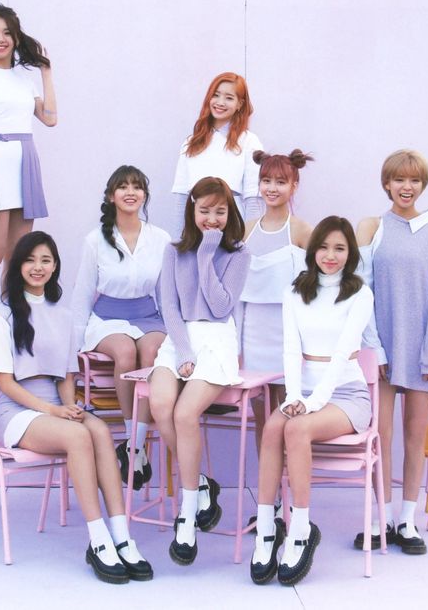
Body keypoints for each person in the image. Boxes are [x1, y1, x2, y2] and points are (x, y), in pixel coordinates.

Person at [0, 231, 152, 584]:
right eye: (31, 260)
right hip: (18, 412)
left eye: (46, 260)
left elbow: (65, 375)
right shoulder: (1, 316)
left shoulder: (62, 315)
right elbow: (6, 383)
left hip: (55, 409)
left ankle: (121, 533)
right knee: (79, 437)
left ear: (55, 267)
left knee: (100, 431)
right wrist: (53, 412)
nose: (38, 267)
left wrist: (69, 405)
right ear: (18, 266)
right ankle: (98, 539)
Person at [250, 216, 374, 586]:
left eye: (340, 248)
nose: (330, 255)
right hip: (303, 395)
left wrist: (312, 403)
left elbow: (341, 355)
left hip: (346, 395)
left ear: (350, 253)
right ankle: (268, 529)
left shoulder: (359, 293)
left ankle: (300, 529)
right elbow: (291, 350)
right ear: (312, 249)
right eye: (323, 247)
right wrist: (291, 397)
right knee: (273, 426)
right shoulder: (295, 291)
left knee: (298, 430)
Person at [354, 149, 428, 555]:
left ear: (422, 185)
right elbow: (361, 291)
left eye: (414, 180)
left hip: (423, 354)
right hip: (381, 351)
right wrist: (374, 349)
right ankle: (381, 518)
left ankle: (407, 521)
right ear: (387, 184)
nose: (406, 187)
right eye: (398, 180)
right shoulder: (373, 227)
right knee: (380, 438)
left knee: (416, 437)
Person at [149, 177, 250, 565]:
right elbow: (170, 307)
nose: (212, 218)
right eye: (204, 210)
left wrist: (209, 255)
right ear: (192, 210)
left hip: (218, 340)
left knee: (185, 414)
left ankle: (187, 513)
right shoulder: (173, 252)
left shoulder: (238, 254)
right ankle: (204, 484)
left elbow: (221, 307)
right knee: (161, 405)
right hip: (179, 338)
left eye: (219, 211)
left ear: (229, 213)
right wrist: (183, 352)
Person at [0, 3, 57, 359]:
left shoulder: (24, 76)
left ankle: (12, 321)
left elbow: (49, 118)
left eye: (6, 32)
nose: (0, 39)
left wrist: (47, 74)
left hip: (25, 162)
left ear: (16, 37)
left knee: (17, 256)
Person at [72, 166, 170, 490]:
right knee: (126, 350)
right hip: (108, 317)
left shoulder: (161, 239)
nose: (131, 192)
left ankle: (134, 447)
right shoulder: (94, 240)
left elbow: (165, 294)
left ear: (145, 194)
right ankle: (133, 441)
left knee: (152, 350)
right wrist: (73, 349)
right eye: (123, 187)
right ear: (111, 195)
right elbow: (83, 293)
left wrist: (178, 336)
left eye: (137, 187)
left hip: (147, 314)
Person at [241, 149, 313, 454]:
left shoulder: (301, 230)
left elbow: (316, 286)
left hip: (287, 334)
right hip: (253, 334)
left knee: (288, 414)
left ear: (294, 185)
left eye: (280, 181)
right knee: (261, 418)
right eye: (266, 180)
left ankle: (289, 490)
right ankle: (269, 496)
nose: (272, 188)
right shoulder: (247, 229)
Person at [170, 72, 263, 235]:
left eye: (229, 98)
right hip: (196, 228)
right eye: (216, 95)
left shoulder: (249, 141)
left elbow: (253, 198)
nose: (220, 102)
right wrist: (179, 241)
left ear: (239, 104)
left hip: (232, 227)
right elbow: (181, 197)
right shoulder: (190, 143)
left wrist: (248, 241)